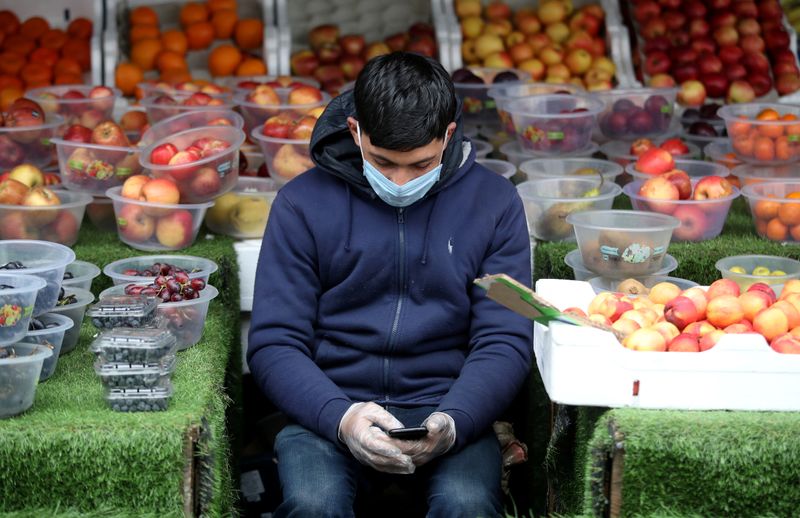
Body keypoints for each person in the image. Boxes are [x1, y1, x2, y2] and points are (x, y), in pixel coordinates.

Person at [247, 52, 533, 518]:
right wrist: (342, 419)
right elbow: (275, 343)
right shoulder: (300, 205)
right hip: (329, 408)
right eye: (383, 162)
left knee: (468, 504)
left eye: (420, 165)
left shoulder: (497, 204)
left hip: (449, 405)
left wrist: (455, 421)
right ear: (356, 131)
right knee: (312, 504)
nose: (400, 181)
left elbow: (505, 339)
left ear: (448, 136)